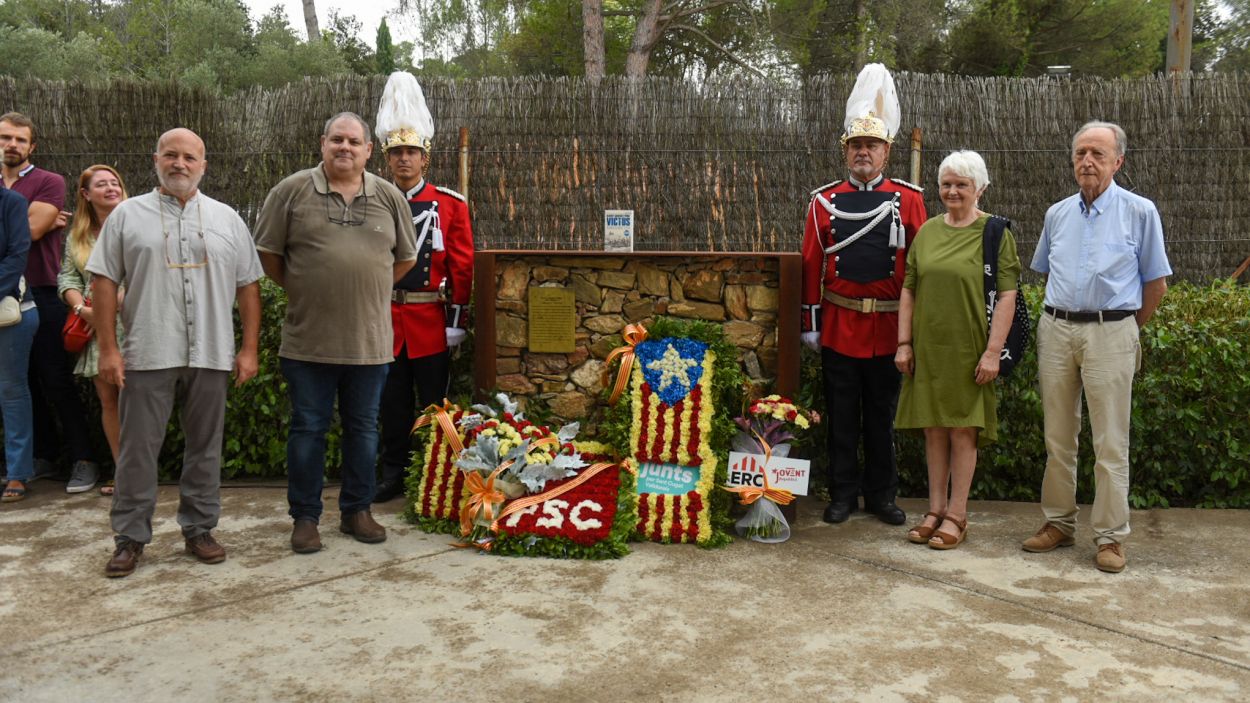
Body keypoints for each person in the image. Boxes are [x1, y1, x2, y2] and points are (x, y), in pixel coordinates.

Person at [89, 128, 263, 577]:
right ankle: (129, 537)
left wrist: (248, 349)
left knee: (205, 446)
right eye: (171, 155)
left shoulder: (227, 219)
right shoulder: (127, 216)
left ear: (204, 165)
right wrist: (108, 349)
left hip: (211, 350)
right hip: (149, 349)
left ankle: (199, 528)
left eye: (189, 157)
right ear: (156, 160)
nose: (180, 164)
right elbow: (104, 281)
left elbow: (248, 285)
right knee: (137, 450)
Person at [254, 112, 417, 553]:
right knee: (308, 429)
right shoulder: (290, 192)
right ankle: (305, 518)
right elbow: (268, 256)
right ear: (323, 143)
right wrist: (306, 287)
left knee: (364, 430)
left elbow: (403, 260)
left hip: (370, 343)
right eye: (337, 140)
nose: (345, 147)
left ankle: (356, 511)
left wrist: (365, 286)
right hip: (309, 342)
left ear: (368, 150)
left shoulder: (388, 196)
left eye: (354, 141)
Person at [1022, 121, 1171, 574]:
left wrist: (1124, 328)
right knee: (1058, 436)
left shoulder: (1140, 212)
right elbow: (1048, 273)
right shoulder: (1057, 214)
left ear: (1118, 162)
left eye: (1098, 154)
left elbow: (1156, 284)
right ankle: (1058, 523)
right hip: (1057, 329)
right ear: (1072, 160)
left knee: (1110, 441)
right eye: (1081, 153)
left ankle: (1110, 537)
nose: (1088, 161)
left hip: (1112, 332)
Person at [800, 64, 927, 526]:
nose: (863, 153)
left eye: (871, 146)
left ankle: (882, 495)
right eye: (855, 146)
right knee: (840, 417)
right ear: (845, 152)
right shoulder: (823, 201)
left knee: (882, 416)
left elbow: (919, 268)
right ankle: (842, 493)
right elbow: (812, 262)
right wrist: (811, 323)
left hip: (890, 327)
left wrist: (914, 331)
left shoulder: (909, 200)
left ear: (887, 152)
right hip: (839, 324)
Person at [894, 151, 1020, 549]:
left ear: (979, 189)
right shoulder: (928, 231)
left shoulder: (995, 234)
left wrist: (992, 352)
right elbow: (909, 288)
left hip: (971, 350)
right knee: (933, 428)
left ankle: (957, 515)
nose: (952, 191)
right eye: (946, 184)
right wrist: (904, 343)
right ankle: (934, 510)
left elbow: (1007, 296)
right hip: (929, 348)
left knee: (963, 431)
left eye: (961, 185)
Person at [373, 72, 474, 503]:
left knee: (434, 404)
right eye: (396, 152)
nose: (403, 159)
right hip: (383, 321)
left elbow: (462, 265)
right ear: (386, 157)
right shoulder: (371, 200)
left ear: (424, 157)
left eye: (411, 151)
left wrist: (457, 320)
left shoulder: (449, 204)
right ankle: (393, 472)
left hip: (430, 320)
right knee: (390, 405)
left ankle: (435, 472)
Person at [0, 112, 99, 491]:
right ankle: (42, 457)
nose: (12, 145)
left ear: (32, 147)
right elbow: (23, 227)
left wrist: (29, 222)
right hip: (3, 295)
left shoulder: (48, 182)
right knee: (17, 383)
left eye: (20, 140)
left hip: (40, 290)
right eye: (6, 138)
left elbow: (31, 230)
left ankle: (83, 458)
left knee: (55, 378)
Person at [58, 165, 129, 496]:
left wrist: (119, 297)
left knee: (135, 400)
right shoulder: (78, 236)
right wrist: (82, 309)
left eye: (115, 183)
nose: (111, 188)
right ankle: (122, 471)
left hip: (134, 324)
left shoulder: (136, 224)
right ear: (86, 194)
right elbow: (68, 278)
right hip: (95, 327)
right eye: (102, 184)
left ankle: (140, 470)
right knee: (109, 401)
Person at [1, 183, 36, 502]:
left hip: (10, 314)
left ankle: (17, 472)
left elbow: (17, 255)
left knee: (11, 390)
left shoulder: (11, 202)